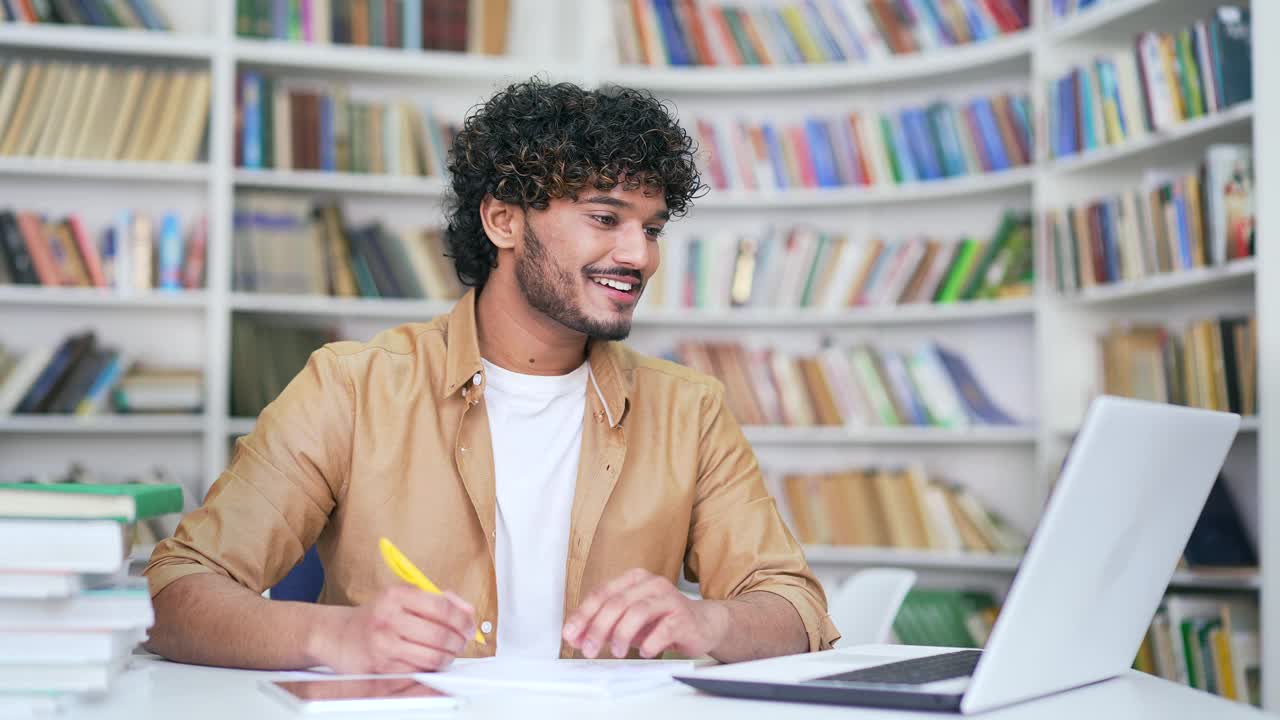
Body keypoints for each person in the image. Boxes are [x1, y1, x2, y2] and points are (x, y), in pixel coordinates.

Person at [144, 78, 839, 673]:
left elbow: (797, 609)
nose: (640, 256)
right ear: (504, 221)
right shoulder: (352, 387)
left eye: (652, 229)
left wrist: (708, 624)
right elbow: (177, 592)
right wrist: (334, 634)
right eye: (606, 218)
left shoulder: (690, 410)